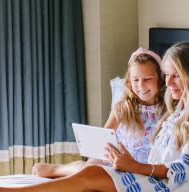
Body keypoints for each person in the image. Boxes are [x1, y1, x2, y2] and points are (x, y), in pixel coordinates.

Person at [0, 42, 189, 192]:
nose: (170, 82)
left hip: (166, 185)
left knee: (90, 177)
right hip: (144, 174)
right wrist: (126, 164)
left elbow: (186, 169)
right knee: (90, 175)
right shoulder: (177, 112)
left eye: (175, 75)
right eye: (168, 76)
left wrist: (134, 167)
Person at [32, 47, 165, 178]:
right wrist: (94, 161)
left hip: (146, 168)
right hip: (118, 163)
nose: (141, 86)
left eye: (147, 79)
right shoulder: (123, 108)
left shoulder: (167, 110)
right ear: (129, 81)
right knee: (89, 169)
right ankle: (58, 169)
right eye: (136, 80)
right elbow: (103, 138)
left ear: (160, 78)